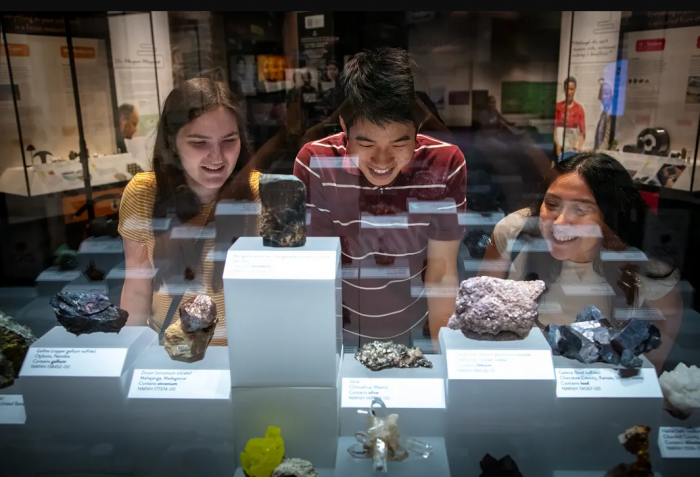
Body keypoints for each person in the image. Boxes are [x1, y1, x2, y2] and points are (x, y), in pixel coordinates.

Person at [293, 47, 467, 349]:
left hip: (417, 334)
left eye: (400, 142)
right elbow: (315, 274)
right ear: (345, 128)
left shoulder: (444, 163)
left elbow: (441, 274)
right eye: (366, 142)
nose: (383, 160)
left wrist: (441, 359)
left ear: (418, 129)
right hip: (337, 335)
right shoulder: (317, 162)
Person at [480, 152, 681, 372]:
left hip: (600, 392)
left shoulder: (645, 263)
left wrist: (649, 377)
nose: (560, 222)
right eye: (552, 204)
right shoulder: (513, 231)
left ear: (609, 216)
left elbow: (667, 319)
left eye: (581, 209)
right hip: (520, 377)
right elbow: (479, 311)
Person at [118, 78, 255, 346]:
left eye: (229, 141)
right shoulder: (143, 192)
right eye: (199, 143)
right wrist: (129, 355)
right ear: (172, 142)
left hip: (242, 354)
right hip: (170, 353)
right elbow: (136, 286)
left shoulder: (262, 193)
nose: (217, 157)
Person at [554, 76, 586, 161]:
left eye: (571, 89)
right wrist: (557, 145)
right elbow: (554, 128)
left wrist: (579, 148)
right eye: (567, 89)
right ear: (564, 90)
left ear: (575, 90)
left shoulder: (579, 109)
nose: (569, 92)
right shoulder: (558, 107)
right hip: (559, 147)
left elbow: (582, 131)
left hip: (573, 148)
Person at [594, 81, 614, 150]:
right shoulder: (603, 112)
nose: (604, 96)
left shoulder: (610, 113)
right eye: (602, 94)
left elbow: (607, 138)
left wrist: (599, 153)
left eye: (607, 94)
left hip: (604, 153)